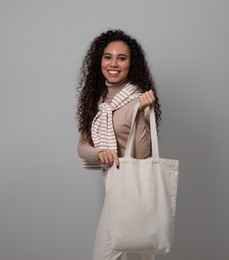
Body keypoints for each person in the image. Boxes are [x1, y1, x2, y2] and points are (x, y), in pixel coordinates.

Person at [76, 29, 161, 260]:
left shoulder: (139, 99)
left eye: (121, 58)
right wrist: (99, 152)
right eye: (108, 56)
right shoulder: (97, 100)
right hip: (114, 189)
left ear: (131, 64)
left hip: (138, 192)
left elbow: (142, 156)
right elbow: (82, 146)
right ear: (100, 60)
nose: (113, 63)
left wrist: (142, 114)